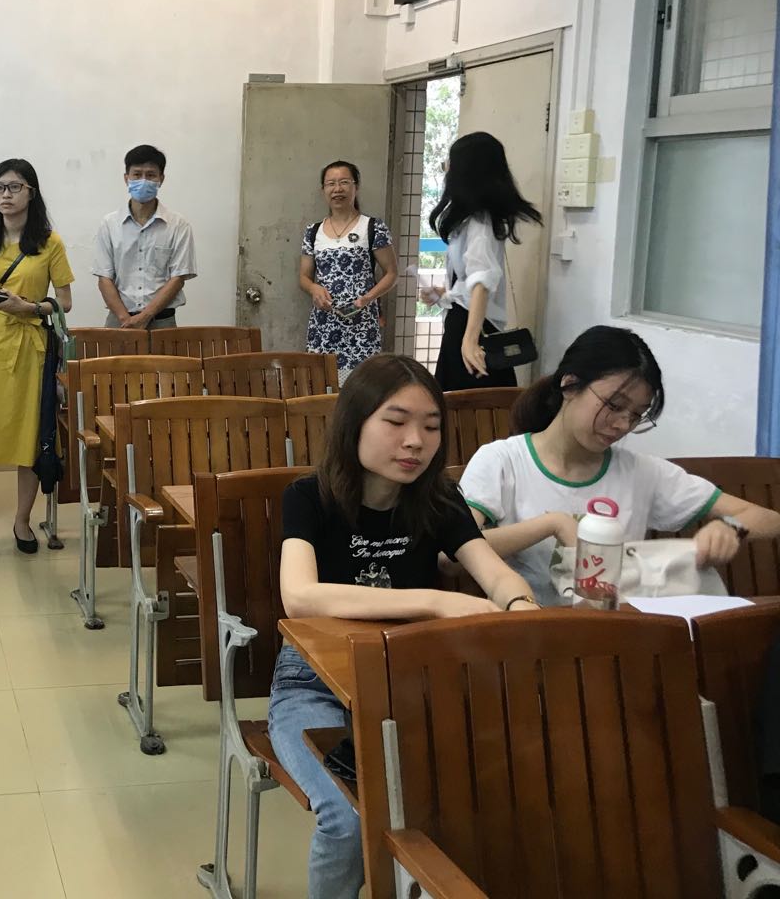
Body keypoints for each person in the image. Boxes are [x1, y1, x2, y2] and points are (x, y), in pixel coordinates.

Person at [270, 353, 535, 899]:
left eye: (431, 427)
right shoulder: (309, 497)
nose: (415, 441)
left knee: (485, 797)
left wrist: (520, 607)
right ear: (355, 423)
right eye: (396, 422)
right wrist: (434, 603)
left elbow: (493, 572)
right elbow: (300, 597)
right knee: (348, 819)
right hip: (314, 685)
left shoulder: (439, 500)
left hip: (412, 686)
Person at [460, 325, 780, 606]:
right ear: (570, 384)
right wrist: (552, 524)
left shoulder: (642, 473)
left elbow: (767, 518)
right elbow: (450, 554)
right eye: (614, 406)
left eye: (637, 414)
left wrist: (729, 527)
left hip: (620, 637)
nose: (623, 424)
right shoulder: (503, 461)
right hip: (532, 633)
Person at [0, 159, 75, 564]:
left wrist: (30, 308)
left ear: (31, 193)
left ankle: (22, 522)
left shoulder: (50, 242)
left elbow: (65, 302)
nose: (5, 195)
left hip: (31, 346)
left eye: (14, 187)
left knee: (28, 440)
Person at [418, 131, 542, 391]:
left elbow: (481, 280)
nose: (446, 170)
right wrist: (444, 295)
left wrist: (470, 339)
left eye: (450, 163)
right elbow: (470, 282)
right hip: (463, 323)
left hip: (471, 328)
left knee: (468, 403)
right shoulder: (470, 220)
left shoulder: (480, 223)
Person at [298, 160, 399, 382]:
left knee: (361, 386)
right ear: (323, 190)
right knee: (323, 385)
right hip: (324, 324)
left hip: (362, 324)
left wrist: (367, 299)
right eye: (331, 183)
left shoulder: (373, 227)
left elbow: (392, 273)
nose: (337, 189)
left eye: (344, 182)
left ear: (356, 187)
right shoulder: (313, 232)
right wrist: (314, 288)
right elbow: (304, 277)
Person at [92, 144, 197, 329]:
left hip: (162, 322)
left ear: (161, 179)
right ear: (126, 178)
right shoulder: (109, 224)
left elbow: (178, 278)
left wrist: (145, 317)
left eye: (150, 175)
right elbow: (104, 278)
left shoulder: (178, 225)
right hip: (119, 320)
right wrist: (125, 319)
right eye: (137, 174)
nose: (143, 180)